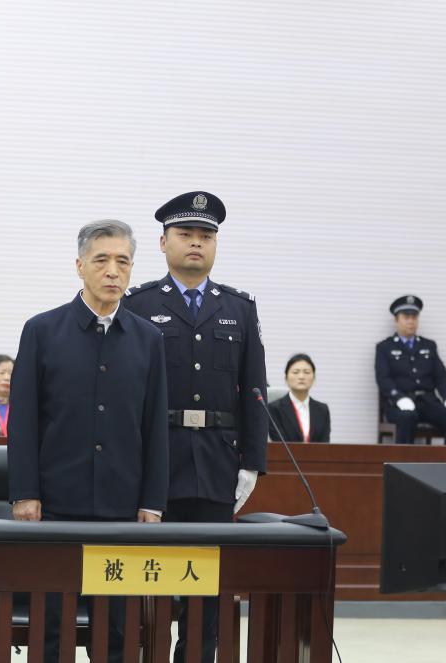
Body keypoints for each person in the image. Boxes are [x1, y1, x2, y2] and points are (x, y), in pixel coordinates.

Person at [8, 219, 168, 663]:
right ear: (80, 266)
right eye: (101, 260)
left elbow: (155, 426)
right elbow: (23, 422)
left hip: (123, 510)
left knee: (117, 631)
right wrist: (25, 493)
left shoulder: (149, 339)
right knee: (51, 627)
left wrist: (153, 502)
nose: (113, 271)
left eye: (123, 262)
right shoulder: (42, 331)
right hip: (56, 507)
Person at [122, 191, 267, 663]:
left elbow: (254, 389)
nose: (196, 243)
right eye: (185, 234)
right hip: (155, 462)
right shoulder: (138, 303)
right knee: (149, 579)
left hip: (215, 463)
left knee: (207, 587)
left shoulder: (239, 308)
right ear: (163, 242)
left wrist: (252, 463)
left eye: (206, 236)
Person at [375, 296, 446, 444]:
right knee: (406, 417)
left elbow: (441, 376)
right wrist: (399, 398)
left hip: (428, 402)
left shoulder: (428, 346)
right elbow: (383, 379)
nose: (411, 321)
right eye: (406, 317)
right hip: (399, 403)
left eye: (414, 317)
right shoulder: (385, 347)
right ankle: (403, 459)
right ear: (396, 320)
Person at [268, 354, 331, 444]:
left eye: (307, 372)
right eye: (295, 372)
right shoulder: (274, 409)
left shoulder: (323, 409)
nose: (301, 377)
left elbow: (325, 445)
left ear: (314, 378)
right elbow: (279, 444)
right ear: (286, 378)